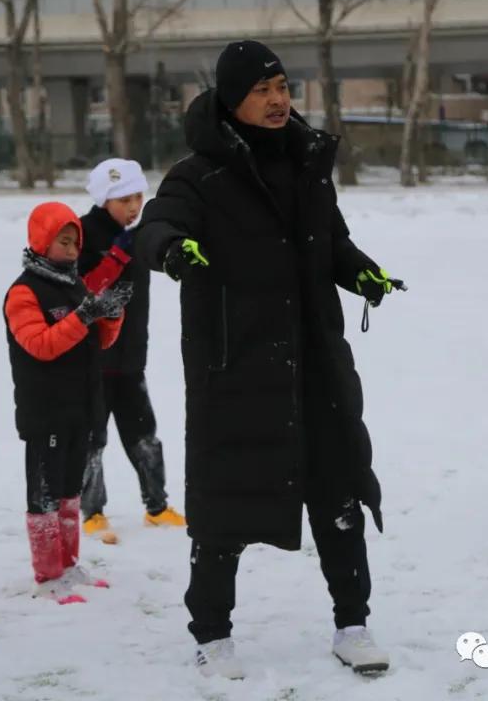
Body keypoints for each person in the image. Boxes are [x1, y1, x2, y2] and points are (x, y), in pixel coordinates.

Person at [135, 40, 403, 679]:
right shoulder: (198, 175)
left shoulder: (308, 163)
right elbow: (156, 224)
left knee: (337, 490)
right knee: (225, 504)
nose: (279, 99)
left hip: (314, 362)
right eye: (263, 90)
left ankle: (353, 624)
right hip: (237, 369)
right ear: (232, 101)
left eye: (282, 86)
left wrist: (360, 272)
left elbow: (329, 240)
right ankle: (213, 633)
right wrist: (173, 250)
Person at [4, 202, 132, 602]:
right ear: (42, 241)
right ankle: (47, 576)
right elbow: (40, 346)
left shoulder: (75, 285)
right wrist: (85, 315)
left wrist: (111, 315)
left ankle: (69, 565)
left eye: (76, 240)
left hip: (82, 406)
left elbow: (102, 342)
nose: (74, 248)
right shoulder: (24, 291)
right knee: (44, 494)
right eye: (64, 240)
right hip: (46, 410)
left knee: (69, 493)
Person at [77, 158, 185, 538]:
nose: (134, 206)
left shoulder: (138, 234)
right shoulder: (83, 234)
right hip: (92, 360)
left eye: (139, 196)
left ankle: (156, 506)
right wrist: (117, 254)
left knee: (144, 434)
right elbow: (83, 288)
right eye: (124, 199)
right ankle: (91, 511)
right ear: (105, 198)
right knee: (93, 439)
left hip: (130, 357)